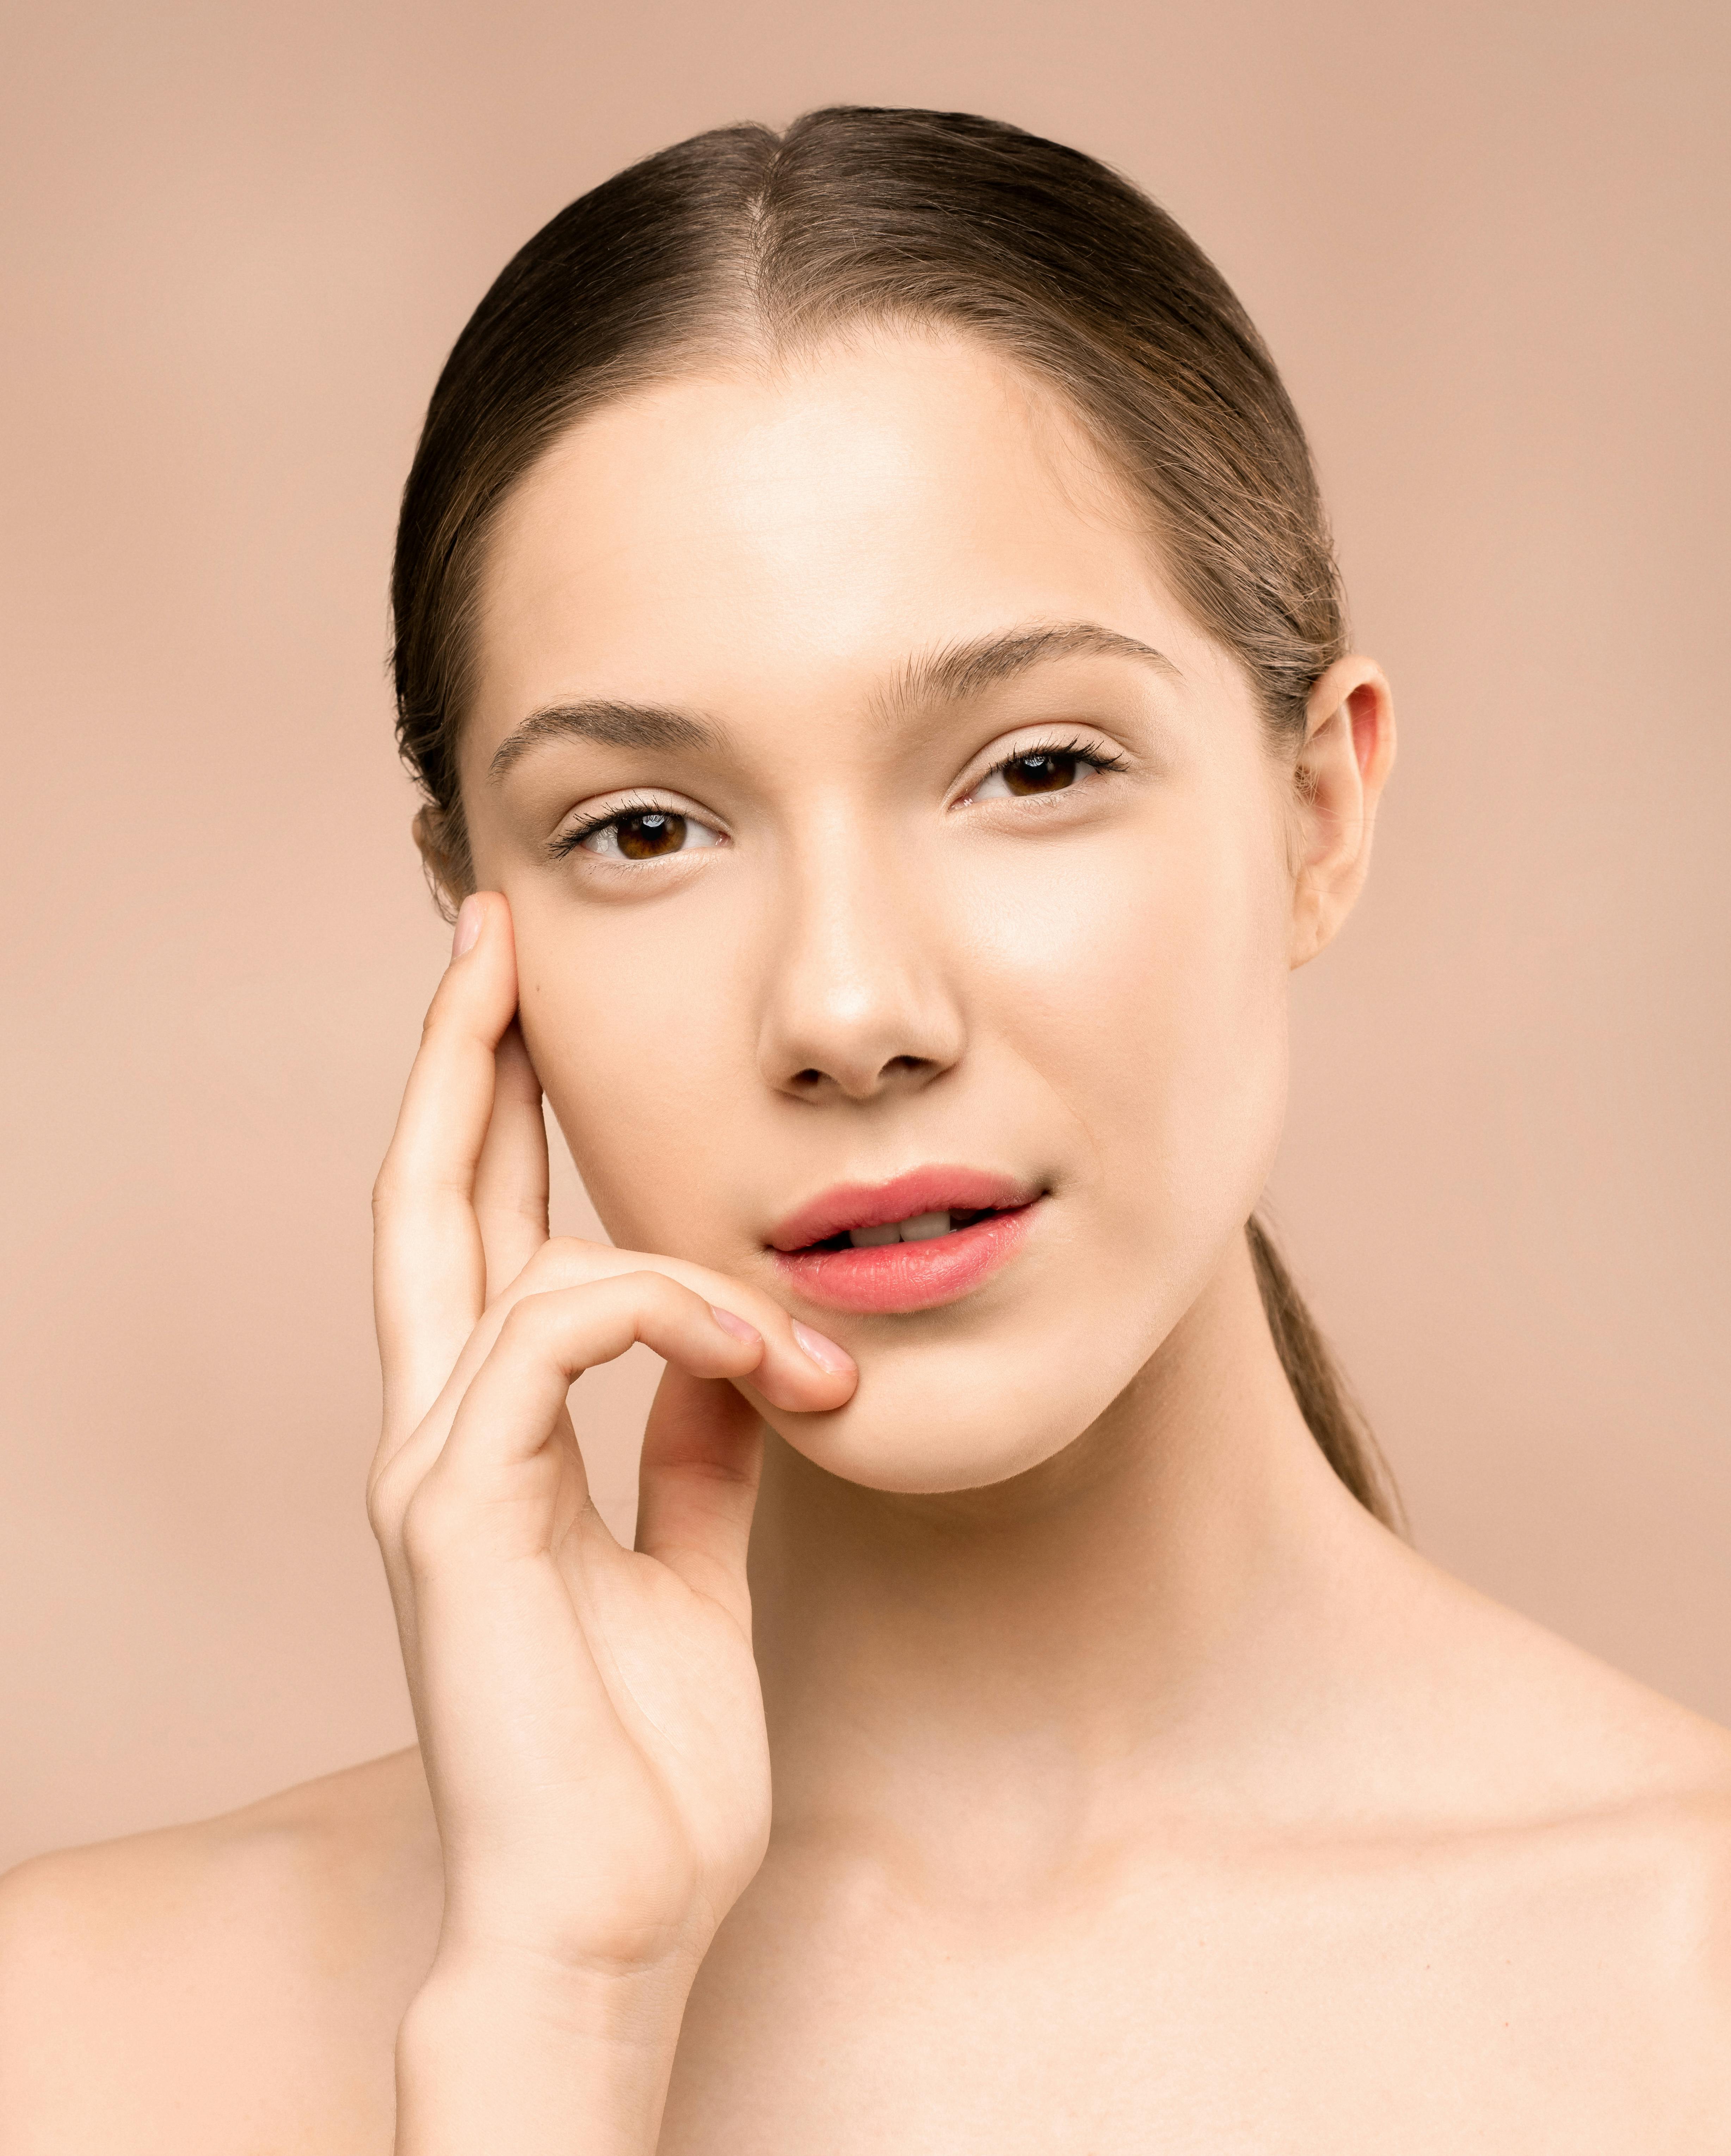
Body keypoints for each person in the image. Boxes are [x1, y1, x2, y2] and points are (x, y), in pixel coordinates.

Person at [2, 105, 1727, 2155]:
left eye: (1031, 766)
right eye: (642, 828)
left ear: (1318, 812)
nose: (847, 1011)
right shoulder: (82, 2041)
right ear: (478, 927)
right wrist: (557, 2011)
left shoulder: (1683, 1982)